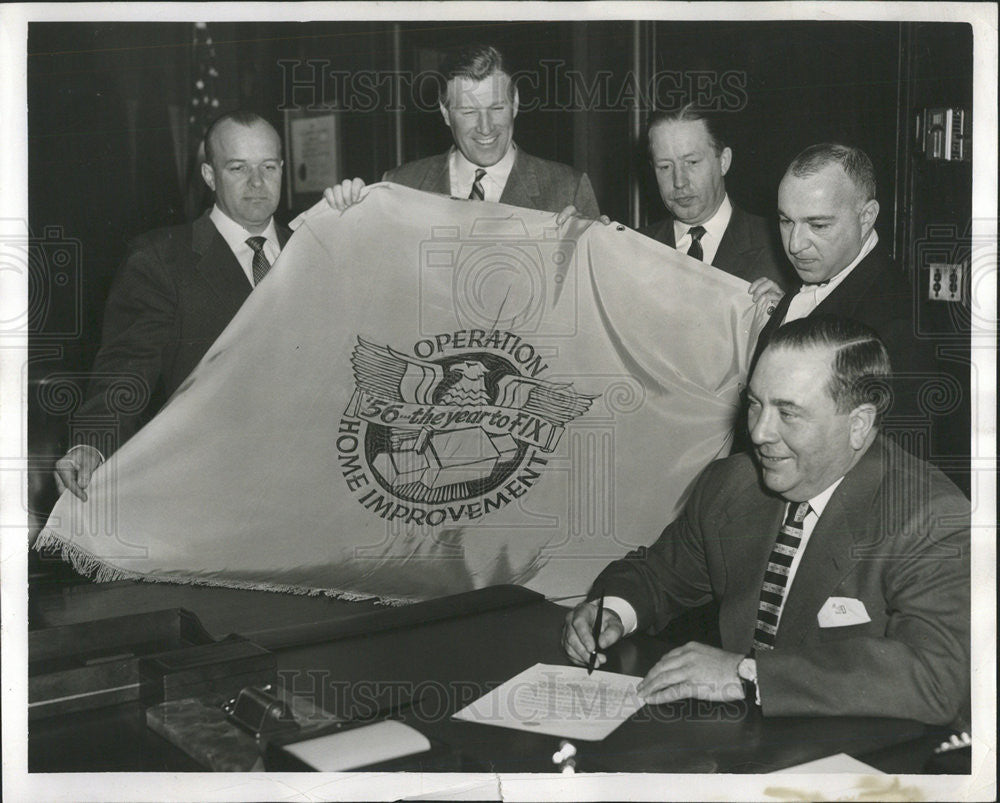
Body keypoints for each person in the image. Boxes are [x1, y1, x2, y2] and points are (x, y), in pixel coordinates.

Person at [562, 315, 969, 728]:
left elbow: (938, 677)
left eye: (788, 413)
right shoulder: (732, 484)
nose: (758, 433)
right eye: (755, 404)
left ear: (858, 425)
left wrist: (747, 673)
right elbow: (659, 576)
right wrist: (610, 611)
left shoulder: (929, 515)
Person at [53, 111, 291, 501]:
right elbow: (126, 368)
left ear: (282, 169)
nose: (257, 182)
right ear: (210, 176)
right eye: (238, 168)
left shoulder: (314, 250)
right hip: (210, 486)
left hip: (306, 480)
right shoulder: (160, 259)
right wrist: (91, 444)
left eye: (268, 166)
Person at [327, 44, 600, 217]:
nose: (485, 127)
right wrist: (343, 219)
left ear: (515, 103)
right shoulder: (400, 185)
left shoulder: (568, 188)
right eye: (469, 111)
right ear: (446, 113)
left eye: (496, 108)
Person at [638, 105, 791, 296]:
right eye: (665, 167)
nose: (679, 182)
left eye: (692, 162)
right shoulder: (633, 247)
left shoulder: (782, 245)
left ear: (723, 162)